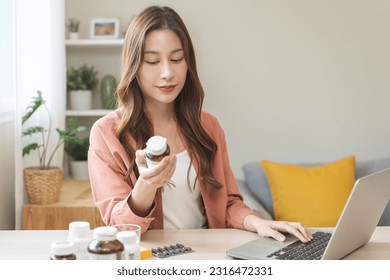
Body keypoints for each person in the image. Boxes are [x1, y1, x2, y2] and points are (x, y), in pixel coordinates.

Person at [88, 5, 313, 243]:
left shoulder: (208, 127)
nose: (167, 73)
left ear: (188, 62)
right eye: (152, 61)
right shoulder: (107, 133)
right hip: (150, 259)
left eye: (176, 59)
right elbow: (119, 226)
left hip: (208, 253)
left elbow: (228, 204)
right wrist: (146, 184)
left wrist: (259, 223)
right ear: (134, 65)